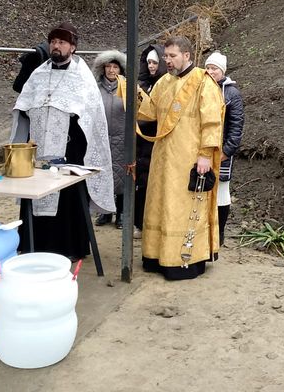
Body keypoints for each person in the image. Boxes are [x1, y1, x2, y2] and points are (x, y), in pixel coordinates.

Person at [10, 22, 114, 258]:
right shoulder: (38, 73)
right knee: (36, 194)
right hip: (38, 148)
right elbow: (23, 104)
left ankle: (69, 248)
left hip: (69, 150)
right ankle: (34, 244)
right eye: (53, 42)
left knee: (68, 201)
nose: (56, 46)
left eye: (62, 42)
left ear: (73, 47)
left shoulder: (81, 77)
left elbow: (91, 115)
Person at [137, 36, 224, 280]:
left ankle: (184, 261)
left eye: (172, 56)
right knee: (159, 204)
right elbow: (150, 112)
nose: (168, 61)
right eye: (166, 57)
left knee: (183, 207)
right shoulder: (164, 81)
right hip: (163, 157)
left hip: (188, 157)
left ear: (186, 55)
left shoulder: (203, 82)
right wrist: (132, 93)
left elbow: (212, 122)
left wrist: (205, 154)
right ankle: (157, 256)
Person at [205, 51, 244, 246]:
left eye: (214, 68)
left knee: (221, 190)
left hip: (222, 151)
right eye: (208, 68)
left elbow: (236, 127)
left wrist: (227, 151)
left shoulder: (231, 93)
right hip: (203, 150)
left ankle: (218, 233)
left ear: (222, 71)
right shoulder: (201, 88)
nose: (211, 71)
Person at [134, 44, 167, 239]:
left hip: (155, 138)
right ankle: (139, 223)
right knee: (141, 184)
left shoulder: (165, 84)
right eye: (149, 63)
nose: (152, 66)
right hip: (140, 139)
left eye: (155, 62)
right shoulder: (143, 84)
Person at [93, 50, 127, 229]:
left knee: (121, 176)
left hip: (121, 138)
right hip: (101, 138)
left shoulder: (127, 88)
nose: (111, 70)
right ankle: (104, 211)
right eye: (108, 66)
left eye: (115, 67)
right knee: (102, 175)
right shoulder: (95, 88)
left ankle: (121, 212)